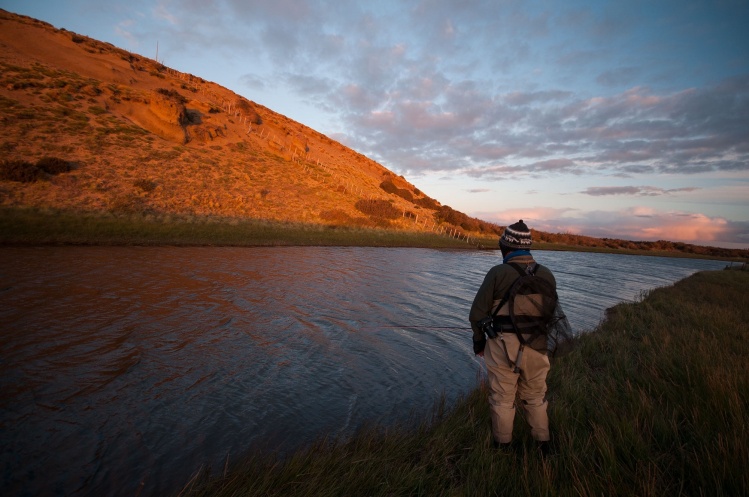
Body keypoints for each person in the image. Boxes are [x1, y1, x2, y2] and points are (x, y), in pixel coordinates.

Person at [469, 220, 557, 455]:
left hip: (502, 346)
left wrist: (479, 342)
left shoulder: (498, 272)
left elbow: (477, 313)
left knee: (502, 398)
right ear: (528, 249)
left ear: (505, 247)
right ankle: (543, 447)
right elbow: (550, 313)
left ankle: (502, 450)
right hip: (538, 346)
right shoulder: (546, 274)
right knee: (535, 397)